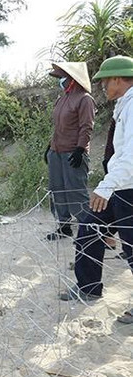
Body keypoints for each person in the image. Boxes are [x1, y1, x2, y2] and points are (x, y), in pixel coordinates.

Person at [59, 56, 133, 321]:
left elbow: (131, 156)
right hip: (119, 185)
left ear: (117, 79)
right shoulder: (124, 105)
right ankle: (89, 288)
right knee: (90, 227)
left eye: (105, 82)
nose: (102, 87)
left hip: (128, 188)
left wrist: (105, 187)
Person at [44, 61, 95, 241]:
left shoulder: (85, 99)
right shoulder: (62, 99)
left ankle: (88, 230)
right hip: (56, 152)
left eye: (63, 77)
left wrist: (80, 149)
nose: (61, 81)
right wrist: (49, 147)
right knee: (57, 190)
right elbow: (58, 127)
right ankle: (64, 227)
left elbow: (86, 127)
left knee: (76, 192)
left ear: (73, 79)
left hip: (73, 153)